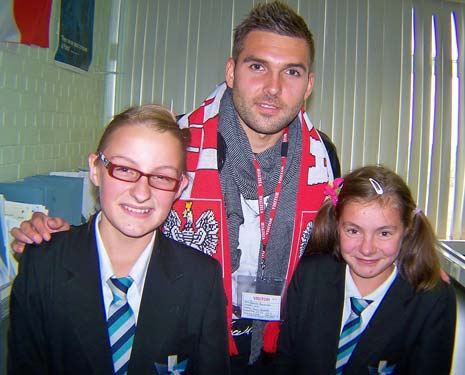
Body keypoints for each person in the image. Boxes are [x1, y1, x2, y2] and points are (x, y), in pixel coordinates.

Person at [10, 2, 340, 373]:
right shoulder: (179, 143)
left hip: (282, 347)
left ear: (308, 84)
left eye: (291, 72)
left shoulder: (322, 158)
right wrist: (55, 242)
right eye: (257, 66)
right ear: (231, 72)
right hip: (184, 342)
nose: (273, 88)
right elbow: (126, 210)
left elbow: (328, 253)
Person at [8, 105, 230, 374]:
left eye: (161, 176)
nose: (141, 192)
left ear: (180, 186)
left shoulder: (201, 279)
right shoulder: (44, 265)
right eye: (124, 169)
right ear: (95, 169)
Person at [275, 165, 456, 374]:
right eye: (353, 230)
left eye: (384, 233)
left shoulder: (432, 301)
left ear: (407, 230)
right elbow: (285, 362)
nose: (367, 248)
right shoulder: (310, 276)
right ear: (337, 226)